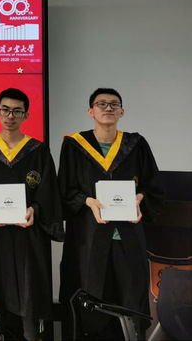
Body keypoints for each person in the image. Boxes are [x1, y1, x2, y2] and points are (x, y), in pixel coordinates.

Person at [58, 88, 164, 339]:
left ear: (122, 112)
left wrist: (139, 198)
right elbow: (65, 189)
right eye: (101, 104)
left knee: (130, 297)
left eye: (114, 104)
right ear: (91, 111)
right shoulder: (74, 145)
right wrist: (87, 201)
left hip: (127, 238)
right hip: (90, 238)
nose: (108, 108)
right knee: (92, 296)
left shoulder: (135, 145)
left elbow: (153, 186)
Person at [0, 88, 64, 340]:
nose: (10, 116)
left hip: (28, 237)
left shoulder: (38, 151)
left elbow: (48, 192)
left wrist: (35, 210)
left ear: (26, 115)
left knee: (29, 296)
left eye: (17, 111)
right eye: (5, 110)